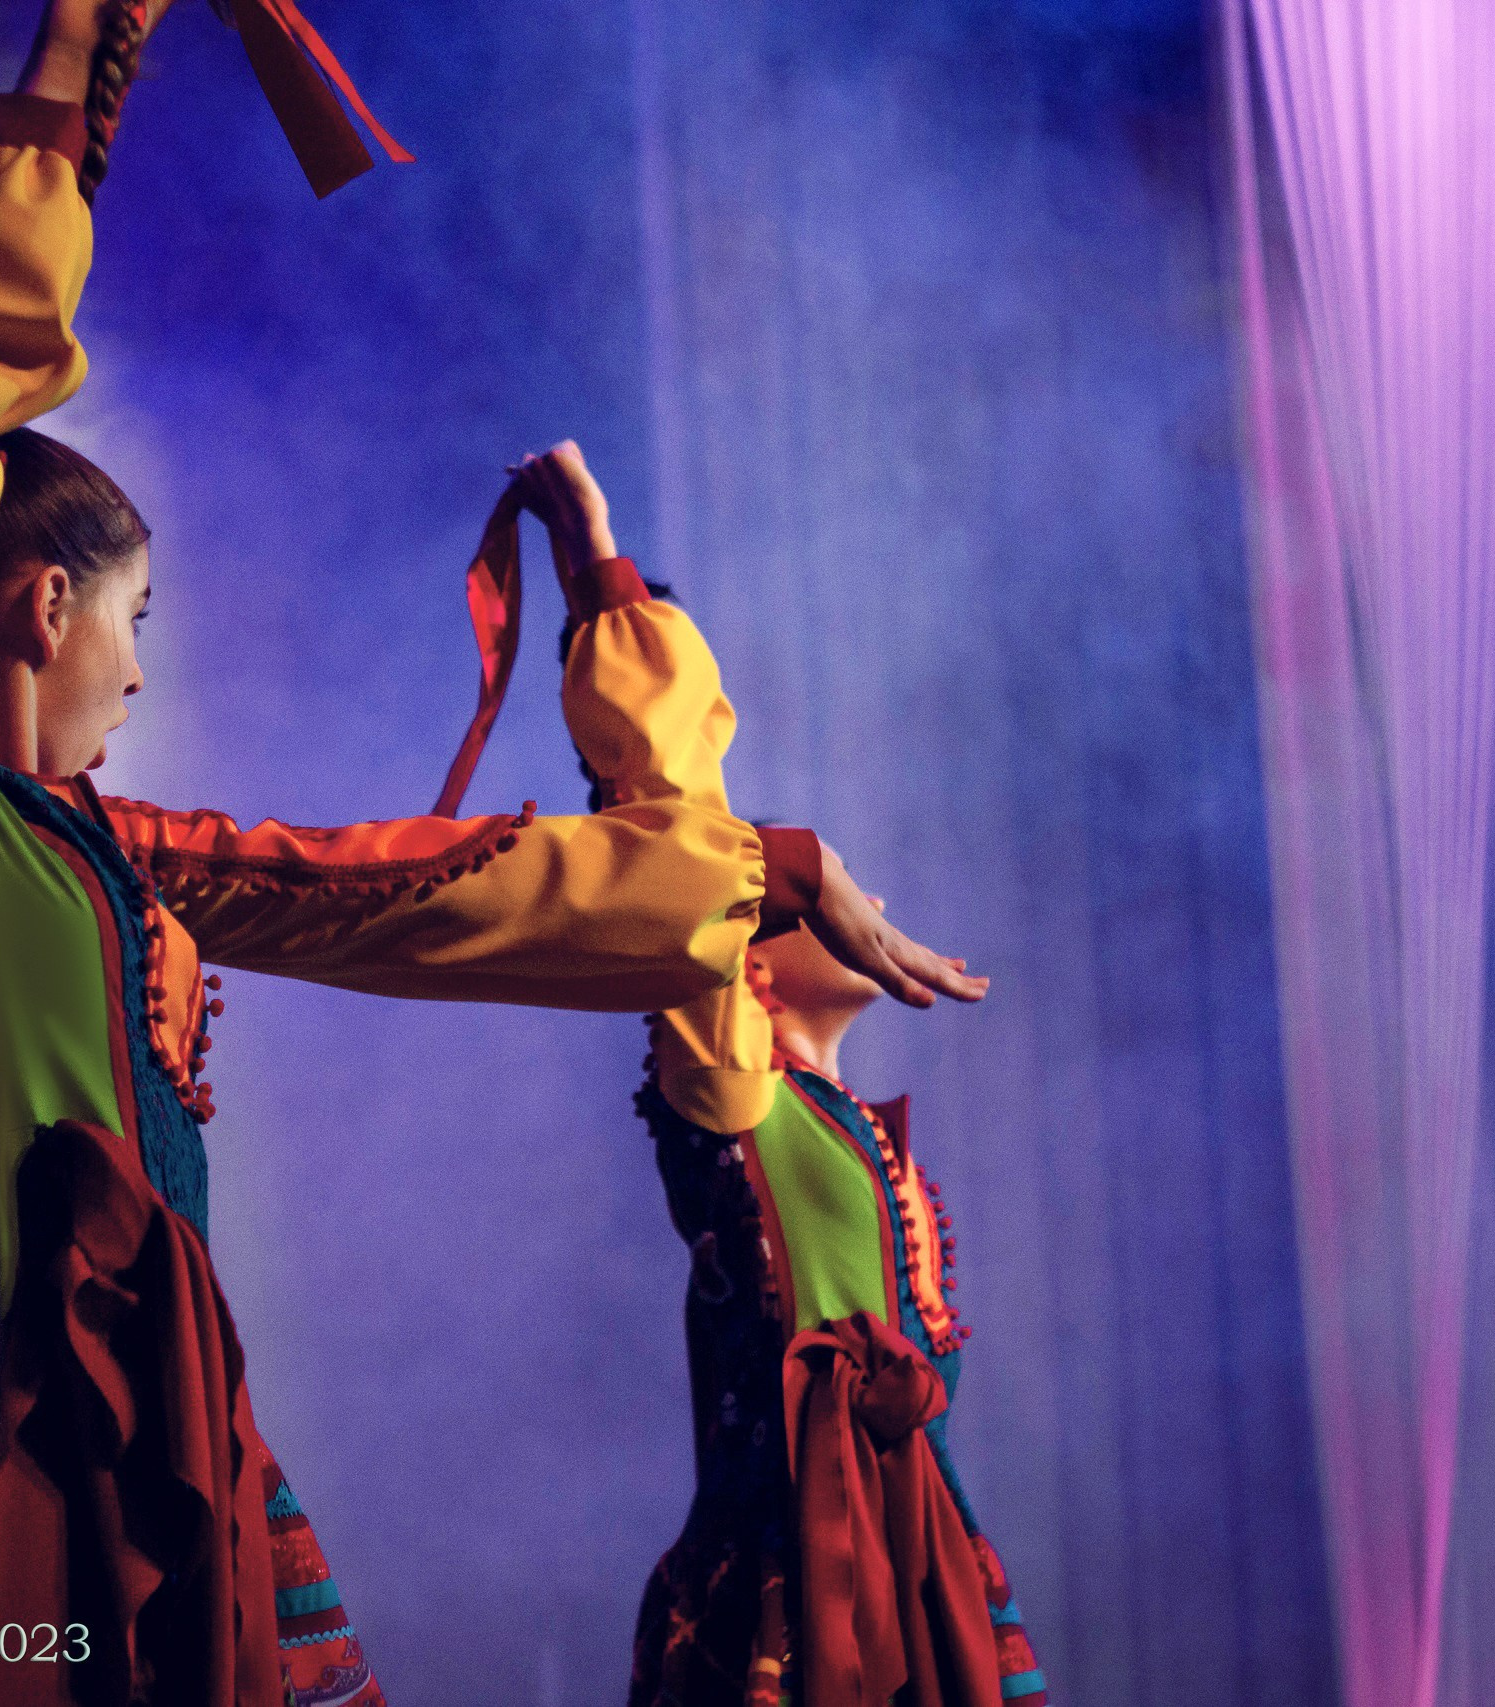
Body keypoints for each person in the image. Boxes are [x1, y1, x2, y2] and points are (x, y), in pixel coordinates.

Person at [0, 6, 981, 1702]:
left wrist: (760, 846)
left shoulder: (118, 855)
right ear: (42, 606)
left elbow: (436, 887)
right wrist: (76, 65)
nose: (137, 666)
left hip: (161, 1420)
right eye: (136, 620)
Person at [503, 446, 1044, 1707]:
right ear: (740, 948)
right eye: (810, 889)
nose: (854, 901)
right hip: (800, 1590)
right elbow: (671, 839)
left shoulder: (844, 1121)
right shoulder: (733, 1096)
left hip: (917, 1569)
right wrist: (596, 560)